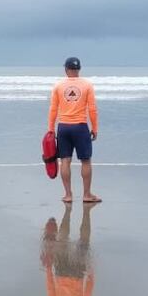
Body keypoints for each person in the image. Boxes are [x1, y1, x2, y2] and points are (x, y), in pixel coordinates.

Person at [47, 56, 99, 204]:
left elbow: (53, 109)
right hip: (80, 127)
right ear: (79, 69)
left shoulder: (58, 86)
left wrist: (51, 129)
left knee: (65, 160)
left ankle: (68, 195)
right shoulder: (87, 85)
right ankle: (87, 195)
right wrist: (95, 128)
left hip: (63, 127)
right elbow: (93, 109)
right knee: (86, 161)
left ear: (65, 69)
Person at [41, 205, 95, 296]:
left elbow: (88, 290)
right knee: (62, 241)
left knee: (84, 242)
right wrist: (48, 268)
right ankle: (67, 211)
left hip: (77, 274)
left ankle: (86, 212)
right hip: (61, 272)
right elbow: (50, 288)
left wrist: (91, 273)